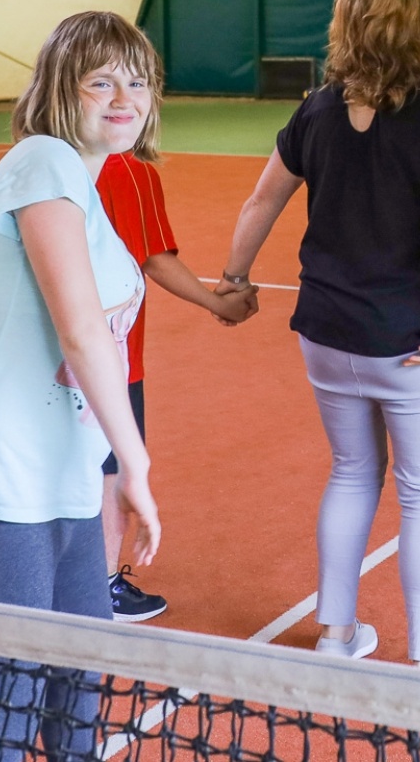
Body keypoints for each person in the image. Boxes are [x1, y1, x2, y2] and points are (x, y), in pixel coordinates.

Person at [0, 12, 165, 762]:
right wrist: (135, 465)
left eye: (138, 81)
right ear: (59, 89)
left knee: (76, 708)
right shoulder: (44, 162)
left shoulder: (85, 187)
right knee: (1, 722)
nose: (125, 97)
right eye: (101, 81)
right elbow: (80, 330)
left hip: (64, 481)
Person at [218, 0, 420, 675]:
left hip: (327, 330)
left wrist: (236, 278)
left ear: (345, 26)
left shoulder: (317, 109)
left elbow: (261, 199)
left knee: (351, 472)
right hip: (413, 338)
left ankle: (337, 633)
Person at [94, 151, 257, 621]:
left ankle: (62, 580)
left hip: (40, 348)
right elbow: (153, 257)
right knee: (110, 469)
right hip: (109, 352)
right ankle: (101, 586)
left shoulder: (42, 157)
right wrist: (218, 303)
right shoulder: (127, 170)